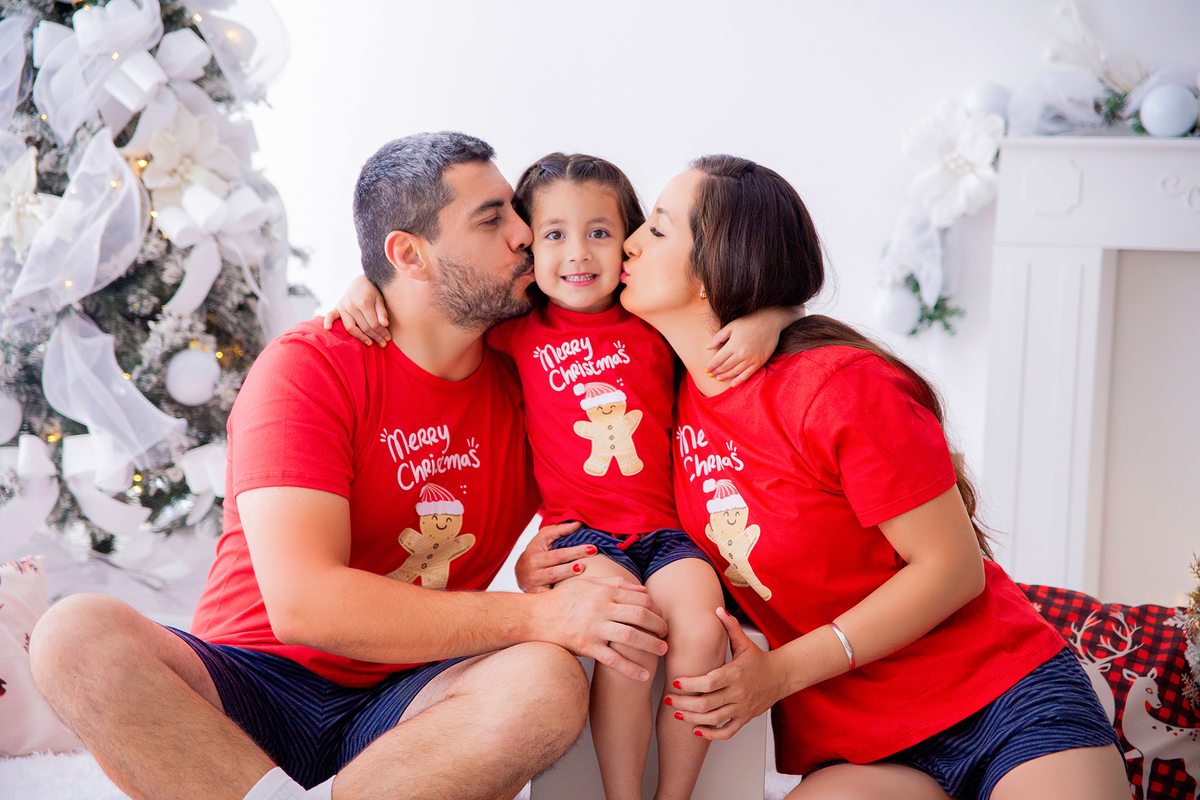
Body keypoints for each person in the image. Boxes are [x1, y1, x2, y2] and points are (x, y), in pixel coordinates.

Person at [29, 132, 671, 800]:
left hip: (412, 703)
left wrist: (741, 327)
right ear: (409, 255)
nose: (525, 234)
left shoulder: (538, 382)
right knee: (73, 635)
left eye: (515, 212)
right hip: (250, 688)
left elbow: (670, 377)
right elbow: (306, 605)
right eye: (492, 219)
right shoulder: (310, 368)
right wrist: (540, 616)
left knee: (544, 682)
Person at [609, 155, 1129, 800]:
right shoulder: (654, 397)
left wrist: (777, 674)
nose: (629, 241)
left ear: (718, 269)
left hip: (1001, 699)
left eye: (657, 228)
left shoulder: (837, 386)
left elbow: (952, 569)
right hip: (864, 748)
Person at [326, 151, 799, 800]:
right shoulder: (518, 328)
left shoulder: (651, 319)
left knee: (701, 625)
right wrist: (366, 285)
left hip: (669, 534)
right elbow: (431, 302)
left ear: (629, 240)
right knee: (626, 629)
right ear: (528, 247)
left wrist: (771, 318)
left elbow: (741, 307)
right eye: (554, 234)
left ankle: (677, 796)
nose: (578, 253)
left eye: (599, 232)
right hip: (582, 538)